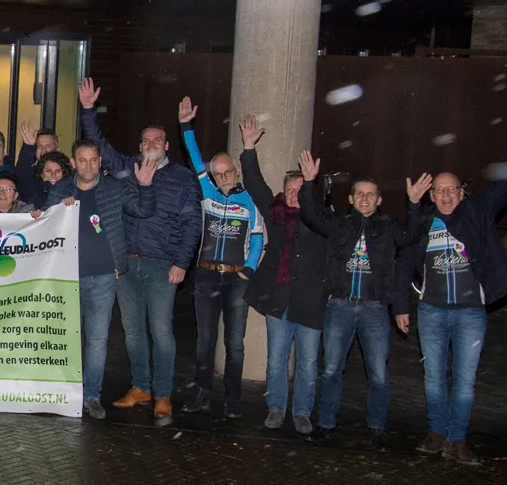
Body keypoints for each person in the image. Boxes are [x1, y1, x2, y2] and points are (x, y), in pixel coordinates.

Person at [399, 108, 507, 466]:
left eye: (451, 190)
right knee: (433, 377)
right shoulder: (424, 220)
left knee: (464, 380)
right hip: (431, 310)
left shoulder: (477, 211)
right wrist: (413, 204)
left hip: (470, 313)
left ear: (462, 192)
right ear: (432, 195)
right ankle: (437, 433)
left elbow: (506, 185)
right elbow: (402, 253)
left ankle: (456, 440)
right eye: (439, 190)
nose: (445, 195)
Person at [78, 78, 201, 421]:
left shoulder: (183, 179)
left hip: (164, 266)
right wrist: (88, 110)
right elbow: (98, 145)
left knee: (161, 331)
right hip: (126, 265)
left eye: (157, 140)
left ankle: (163, 394)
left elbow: (193, 225)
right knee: (132, 331)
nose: (151, 144)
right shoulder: (126, 169)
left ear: (166, 145)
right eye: (145, 140)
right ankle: (141, 386)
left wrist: (182, 263)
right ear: (140, 145)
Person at [298, 149, 421, 448]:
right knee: (330, 370)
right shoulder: (340, 224)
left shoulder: (388, 227)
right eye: (359, 194)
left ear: (379, 200)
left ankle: (377, 427)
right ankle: (326, 423)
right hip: (340, 305)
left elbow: (411, 236)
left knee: (378, 374)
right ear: (350, 199)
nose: (365, 199)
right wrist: (309, 182)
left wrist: (415, 203)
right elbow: (311, 214)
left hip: (375, 310)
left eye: (371, 194)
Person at [44, 140, 159, 419]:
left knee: (97, 341)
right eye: (82, 160)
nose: (88, 165)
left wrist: (145, 186)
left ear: (99, 161)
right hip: (66, 279)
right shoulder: (60, 189)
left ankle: (92, 395)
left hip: (103, 279)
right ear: (73, 163)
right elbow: (45, 227)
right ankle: (65, 393)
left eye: (93, 160)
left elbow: (144, 211)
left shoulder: (114, 189)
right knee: (65, 340)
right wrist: (55, 210)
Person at [177, 101, 268, 420]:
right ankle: (201, 393)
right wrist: (186, 126)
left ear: (237, 170)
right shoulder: (208, 193)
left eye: (229, 171)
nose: (224, 176)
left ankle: (232, 397)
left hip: (236, 280)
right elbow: (194, 157)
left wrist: (247, 272)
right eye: (218, 174)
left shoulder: (251, 200)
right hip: (205, 277)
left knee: (235, 342)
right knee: (205, 340)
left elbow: (258, 239)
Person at [248, 168, 327, 434]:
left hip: (310, 301)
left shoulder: (320, 220)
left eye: (300, 190)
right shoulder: (276, 216)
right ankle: (276, 408)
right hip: (279, 298)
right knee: (276, 358)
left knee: (307, 362)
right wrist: (248, 149)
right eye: (290, 189)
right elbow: (256, 184)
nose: (295, 195)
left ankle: (302, 412)